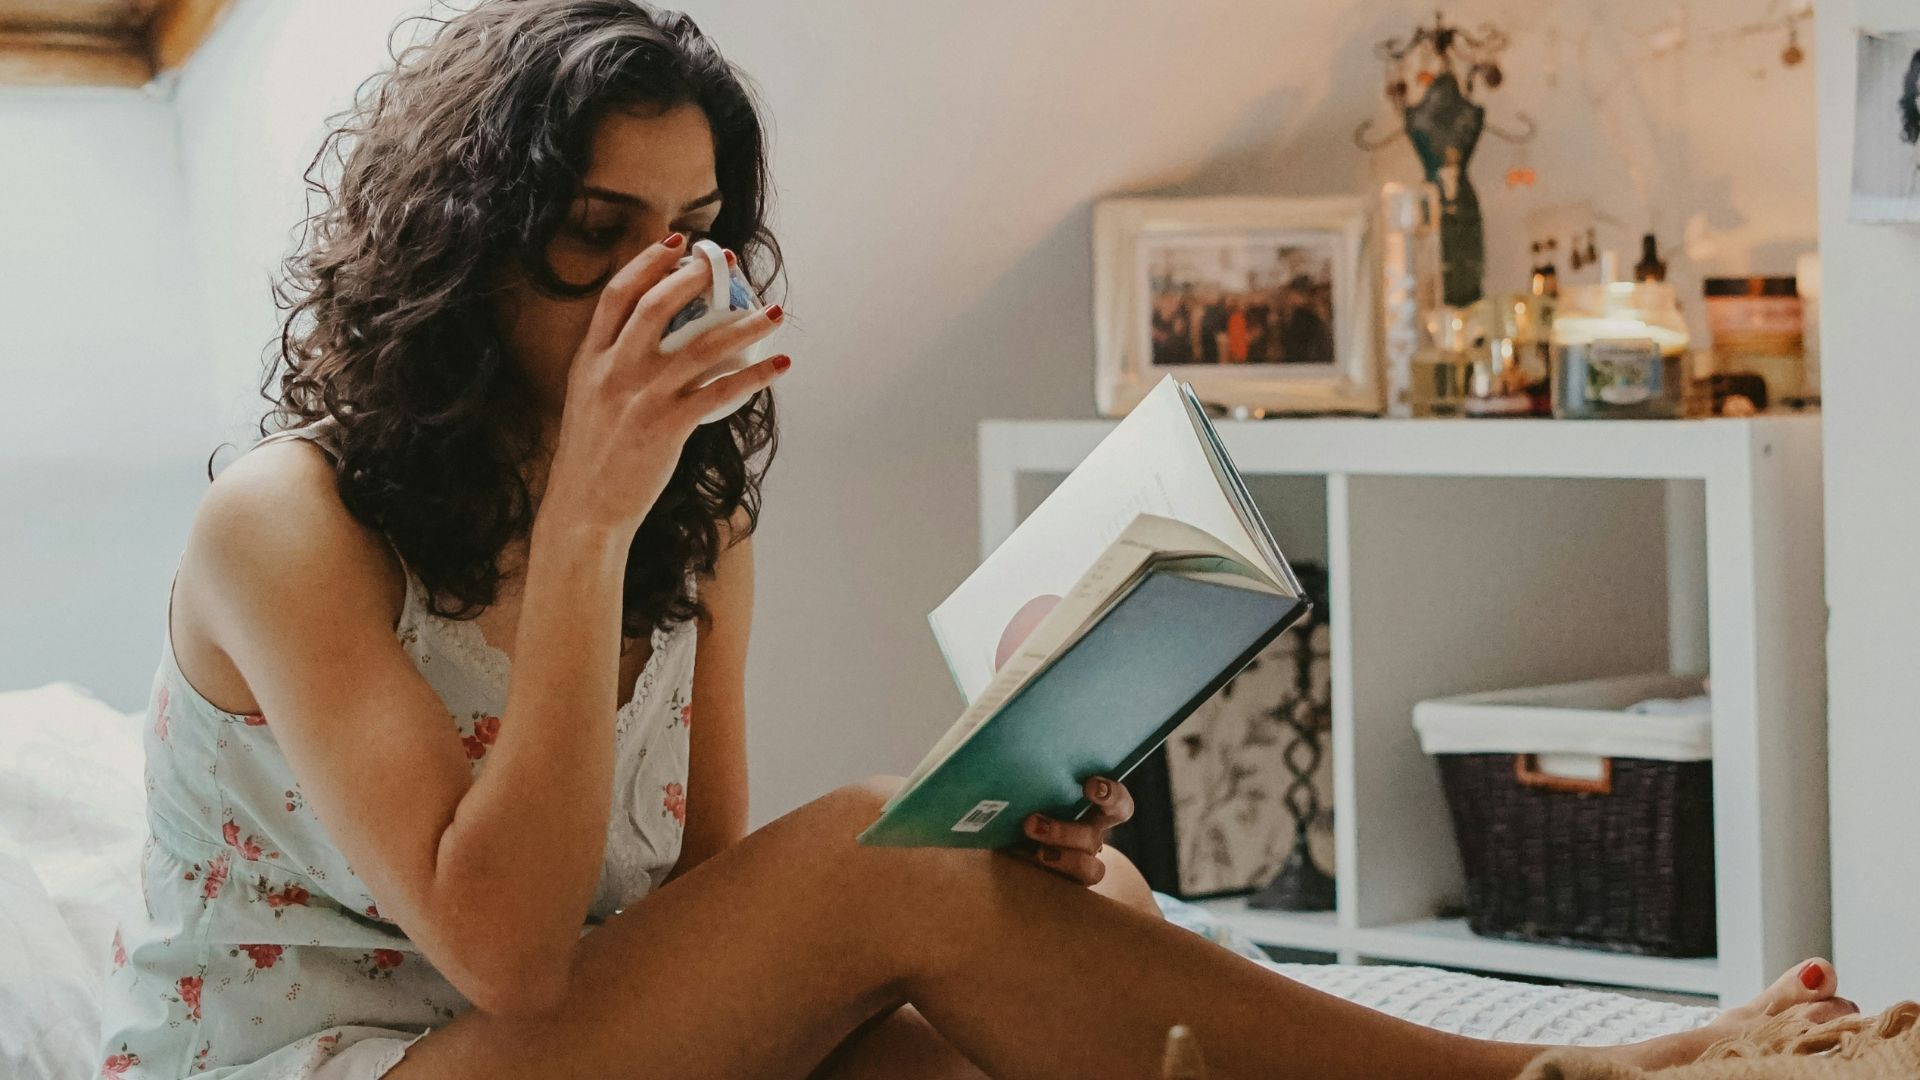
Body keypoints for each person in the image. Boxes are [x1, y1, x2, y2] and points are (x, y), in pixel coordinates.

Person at [95, 3, 1855, 1078]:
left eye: (697, 232)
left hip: (567, 1047)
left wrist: (997, 839)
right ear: (469, 245)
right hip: (349, 1068)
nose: (662, 281)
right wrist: (582, 524)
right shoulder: (290, 523)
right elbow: (511, 957)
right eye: (596, 230)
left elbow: (697, 928)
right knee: (878, 844)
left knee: (1020, 977)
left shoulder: (693, 520)